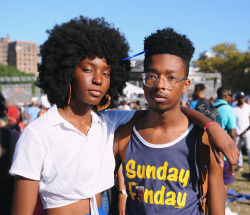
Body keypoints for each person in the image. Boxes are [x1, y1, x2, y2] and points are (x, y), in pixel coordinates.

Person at [9, 16, 238, 215]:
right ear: (67, 69)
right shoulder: (40, 133)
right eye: (88, 69)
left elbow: (166, 109)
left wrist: (212, 126)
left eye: (106, 73)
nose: (98, 79)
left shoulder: (107, 123)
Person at [114, 28, 224, 214]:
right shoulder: (124, 135)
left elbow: (216, 206)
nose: (160, 84)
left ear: (185, 86)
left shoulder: (205, 140)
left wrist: (212, 127)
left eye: (171, 77)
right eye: (152, 76)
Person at [213, 87, 238, 215]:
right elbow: (233, 133)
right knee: (224, 183)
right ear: (227, 95)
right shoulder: (228, 109)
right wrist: (233, 156)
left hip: (210, 153)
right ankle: (222, 209)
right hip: (224, 154)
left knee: (212, 183)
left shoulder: (210, 108)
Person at [234, 92, 250, 175]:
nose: (242, 99)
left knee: (249, 148)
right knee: (238, 150)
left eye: (243, 98)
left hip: (247, 131)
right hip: (237, 132)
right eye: (241, 98)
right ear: (237, 99)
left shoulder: (248, 107)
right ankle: (240, 165)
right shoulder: (233, 108)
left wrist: (245, 131)